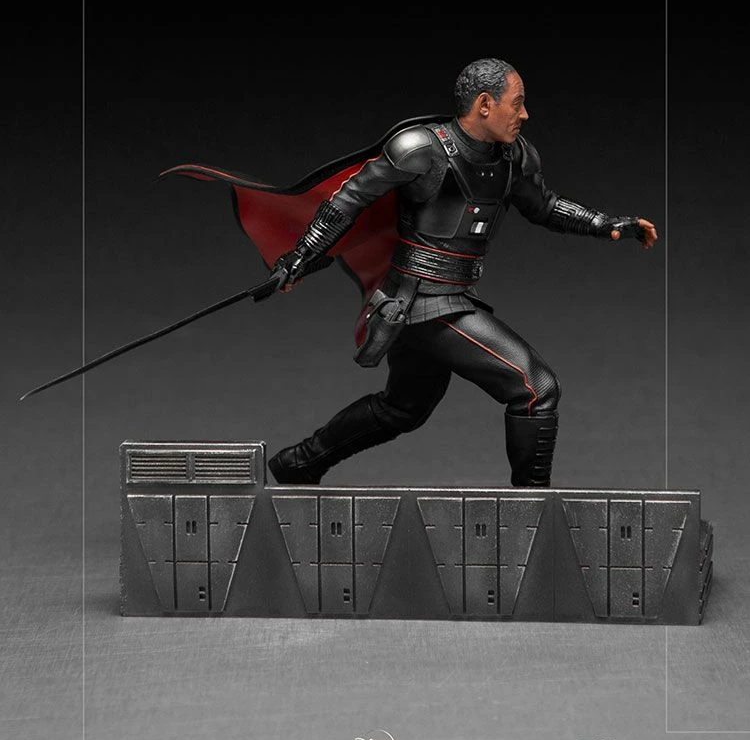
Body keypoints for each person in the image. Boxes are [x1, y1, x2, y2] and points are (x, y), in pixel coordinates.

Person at [264, 57, 657, 487]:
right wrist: (301, 256)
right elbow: (350, 198)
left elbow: (544, 206)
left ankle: (298, 463)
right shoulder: (420, 149)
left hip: (448, 299)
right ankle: (531, 509)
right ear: (485, 104)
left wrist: (606, 224)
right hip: (421, 301)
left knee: (403, 409)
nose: (525, 115)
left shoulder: (514, 157)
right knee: (536, 388)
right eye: (517, 103)